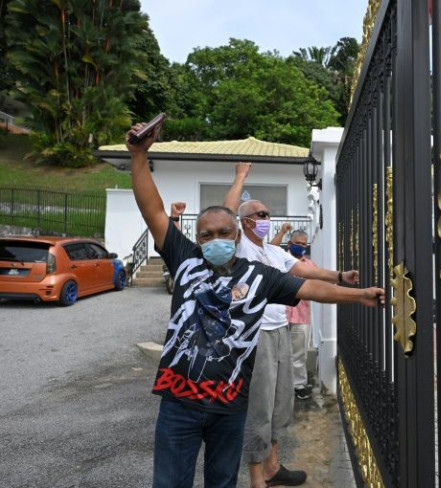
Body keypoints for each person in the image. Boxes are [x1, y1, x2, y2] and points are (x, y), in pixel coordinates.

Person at [125, 123, 384, 488]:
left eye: (224, 233)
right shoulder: (184, 259)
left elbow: (310, 287)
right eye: (206, 235)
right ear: (196, 239)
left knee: (222, 482)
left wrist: (358, 294)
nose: (216, 240)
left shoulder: (260, 274)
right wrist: (139, 155)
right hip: (178, 405)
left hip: (229, 408)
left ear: (237, 235)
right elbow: (152, 210)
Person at [222, 162, 360, 488]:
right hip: (255, 336)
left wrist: (340, 277)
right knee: (259, 405)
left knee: (281, 402)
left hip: (279, 330)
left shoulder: (272, 251)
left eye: (268, 214)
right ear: (244, 222)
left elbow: (304, 271)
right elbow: (226, 214)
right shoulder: (239, 249)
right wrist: (240, 177)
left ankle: (273, 466)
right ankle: (257, 477)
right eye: (260, 214)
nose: (266, 219)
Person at [285, 229, 314, 400]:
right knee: (279, 354)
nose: (301, 247)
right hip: (279, 316)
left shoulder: (309, 266)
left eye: (304, 244)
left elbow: (320, 283)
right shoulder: (279, 261)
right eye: (298, 243)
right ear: (290, 244)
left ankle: (299, 385)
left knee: (299, 353)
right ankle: (282, 386)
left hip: (301, 316)